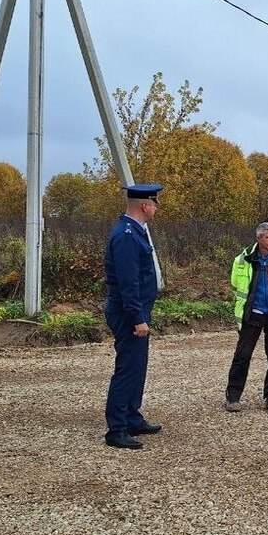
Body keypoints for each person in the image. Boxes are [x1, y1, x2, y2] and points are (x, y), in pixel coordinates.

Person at [103, 183, 165, 449]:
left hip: (136, 309)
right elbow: (129, 283)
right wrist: (138, 318)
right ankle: (116, 429)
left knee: (137, 367)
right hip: (129, 312)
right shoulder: (127, 235)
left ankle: (132, 417)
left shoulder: (134, 232)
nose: (156, 209)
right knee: (127, 369)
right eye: (155, 203)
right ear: (145, 205)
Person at [224, 222, 268, 414]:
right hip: (252, 314)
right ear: (259, 238)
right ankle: (233, 397)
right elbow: (235, 284)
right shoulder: (243, 258)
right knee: (242, 356)